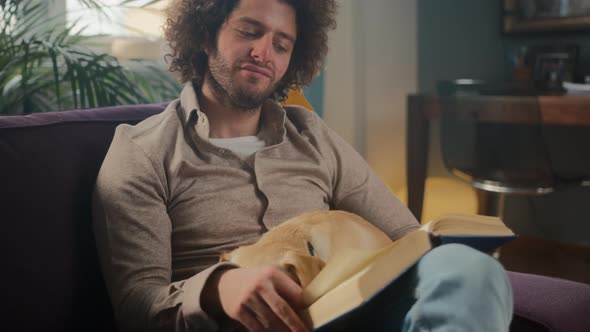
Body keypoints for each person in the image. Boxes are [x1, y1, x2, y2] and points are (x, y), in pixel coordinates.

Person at [92, 0, 513, 331]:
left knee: (468, 269)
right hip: (243, 325)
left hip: (352, 307)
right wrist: (218, 287)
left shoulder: (309, 132)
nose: (263, 53)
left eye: (281, 44)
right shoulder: (141, 151)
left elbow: (406, 238)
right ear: (205, 34)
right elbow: (136, 306)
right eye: (249, 32)